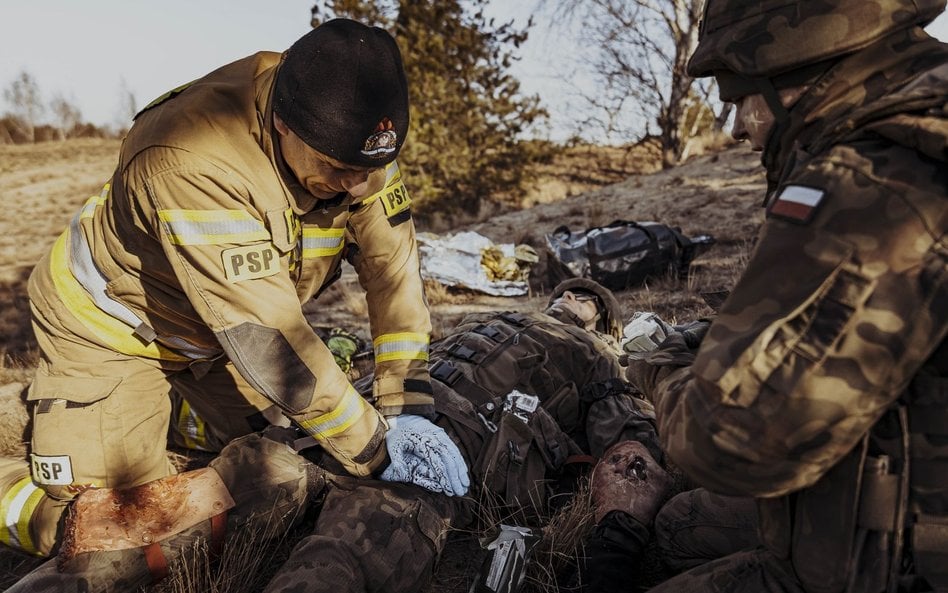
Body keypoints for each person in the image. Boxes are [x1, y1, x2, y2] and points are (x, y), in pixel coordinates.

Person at [0, 17, 468, 566]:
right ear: (285, 126)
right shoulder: (192, 155)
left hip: (214, 333)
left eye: (374, 168)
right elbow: (270, 341)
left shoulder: (352, 135)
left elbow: (394, 276)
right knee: (122, 529)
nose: (361, 188)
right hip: (115, 328)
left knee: (288, 449)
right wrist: (376, 450)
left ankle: (173, 411)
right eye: (341, 170)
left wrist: (408, 406)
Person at [626, 1, 948, 592]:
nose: (738, 128)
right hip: (878, 510)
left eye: (738, 94)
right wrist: (722, 341)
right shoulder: (924, 128)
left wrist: (660, 373)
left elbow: (727, 443)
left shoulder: (877, 185)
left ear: (799, 67)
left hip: (892, 568)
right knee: (679, 526)